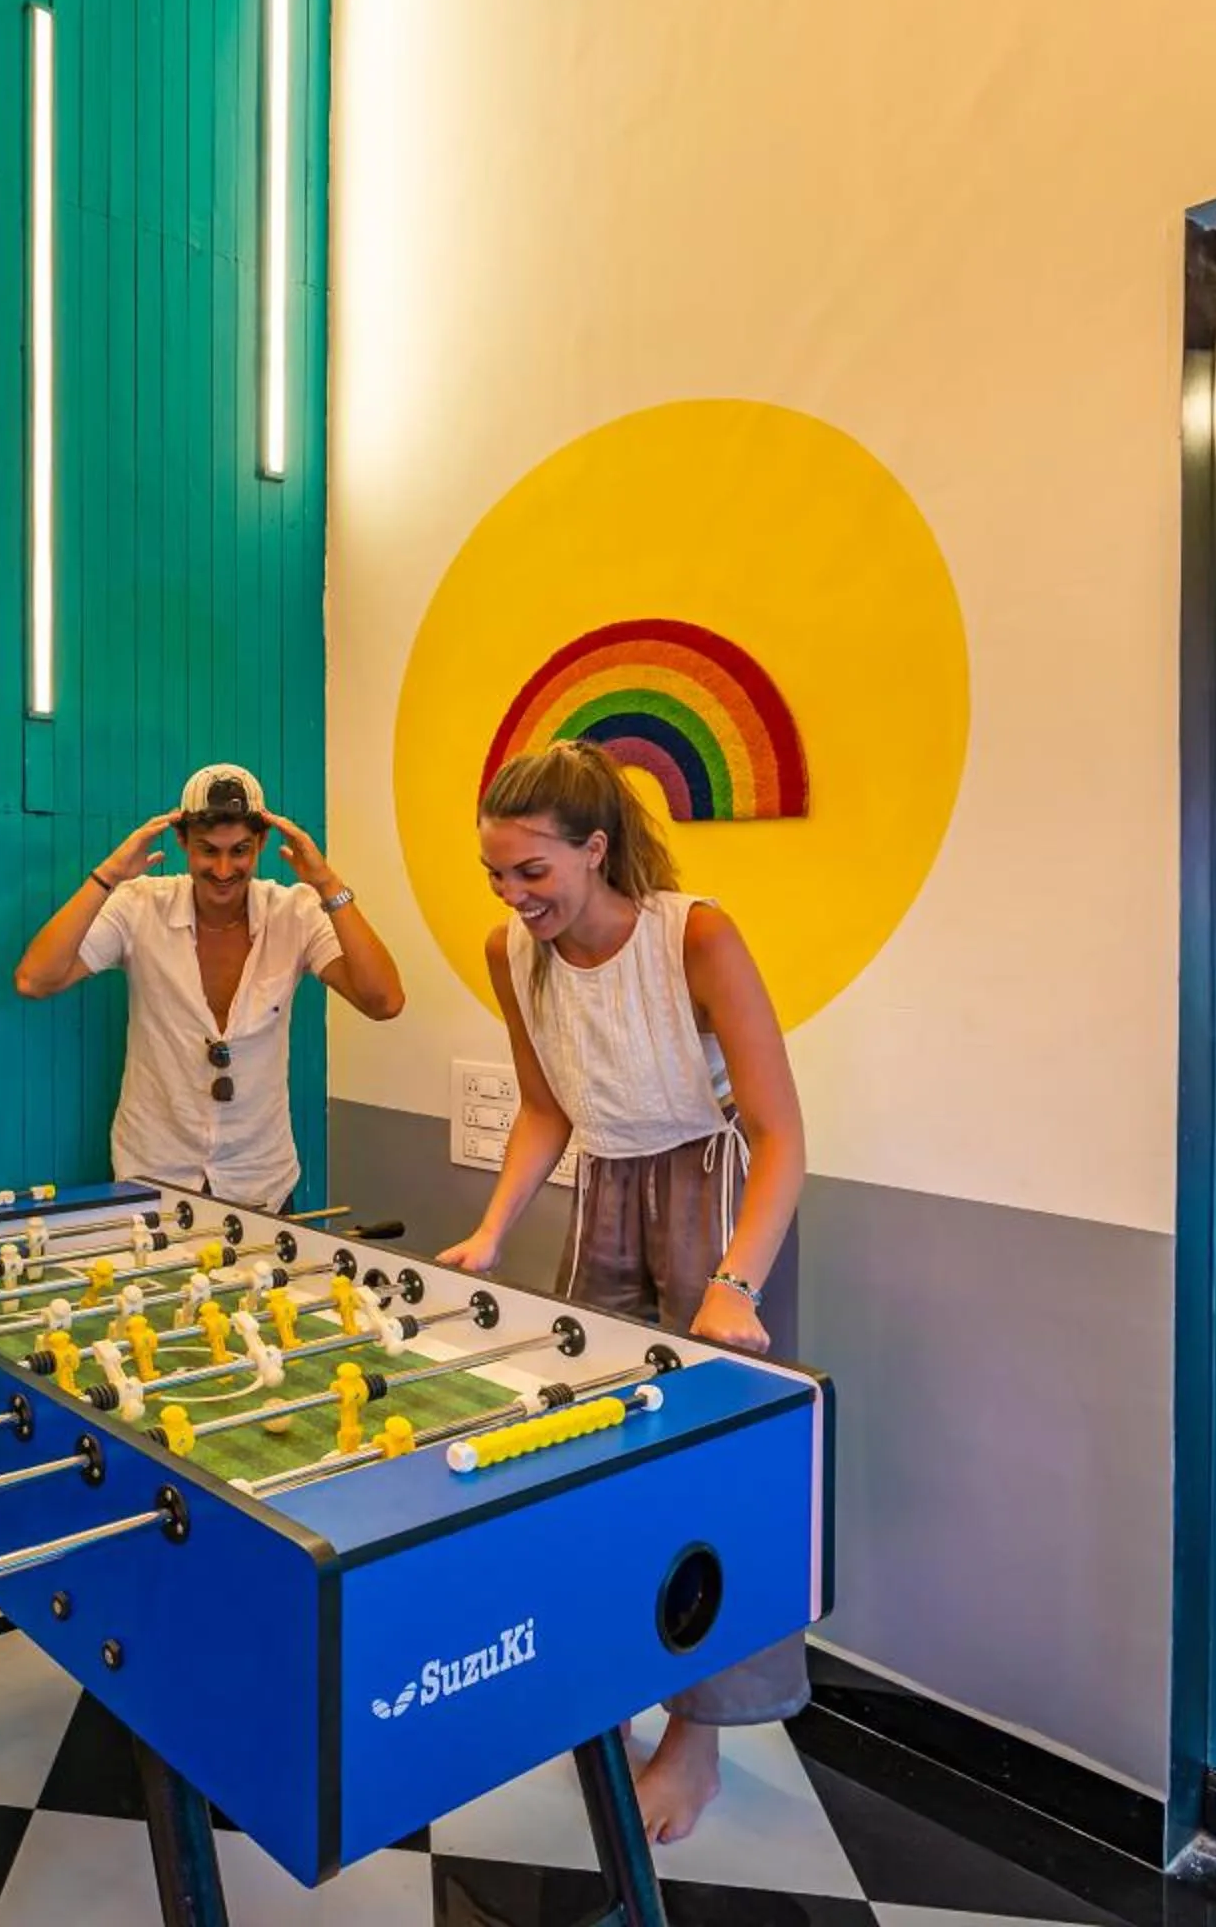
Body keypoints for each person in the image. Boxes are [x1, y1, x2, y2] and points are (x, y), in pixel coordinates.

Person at [435, 738, 809, 1848]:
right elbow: (548, 1107)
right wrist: (491, 1232)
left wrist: (734, 1282)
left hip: (716, 1193)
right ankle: (603, 1678)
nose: (514, 895)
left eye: (534, 871)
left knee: (717, 1473)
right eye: (498, 875)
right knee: (582, 1452)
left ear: (596, 849)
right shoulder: (514, 951)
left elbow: (786, 1132)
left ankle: (700, 1733)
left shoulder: (695, 932)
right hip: (604, 1194)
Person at [14, 763, 405, 1209]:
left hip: (262, 1180)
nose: (223, 869)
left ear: (260, 844)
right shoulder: (140, 906)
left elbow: (385, 1001)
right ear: (182, 842)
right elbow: (34, 979)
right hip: (151, 1173)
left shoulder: (294, 913)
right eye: (207, 851)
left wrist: (327, 884)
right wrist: (107, 876)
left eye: (239, 851)